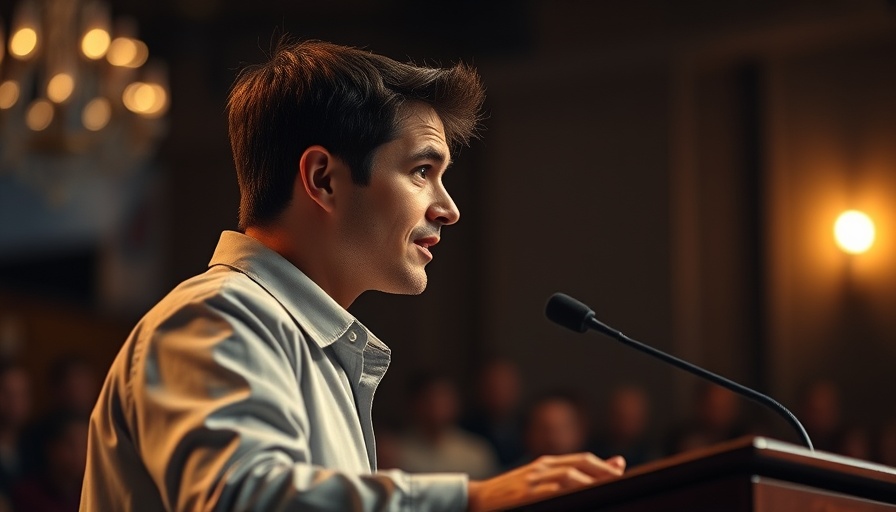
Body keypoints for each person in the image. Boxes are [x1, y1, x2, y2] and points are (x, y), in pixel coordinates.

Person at [80, 39, 625, 511]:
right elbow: (240, 498)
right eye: (421, 171)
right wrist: (473, 499)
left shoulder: (309, 343)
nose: (448, 208)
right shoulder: (218, 315)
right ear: (323, 179)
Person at [395, 373, 498, 479]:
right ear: (414, 403)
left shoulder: (475, 452)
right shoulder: (396, 453)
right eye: (429, 398)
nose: (437, 405)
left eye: (443, 397)